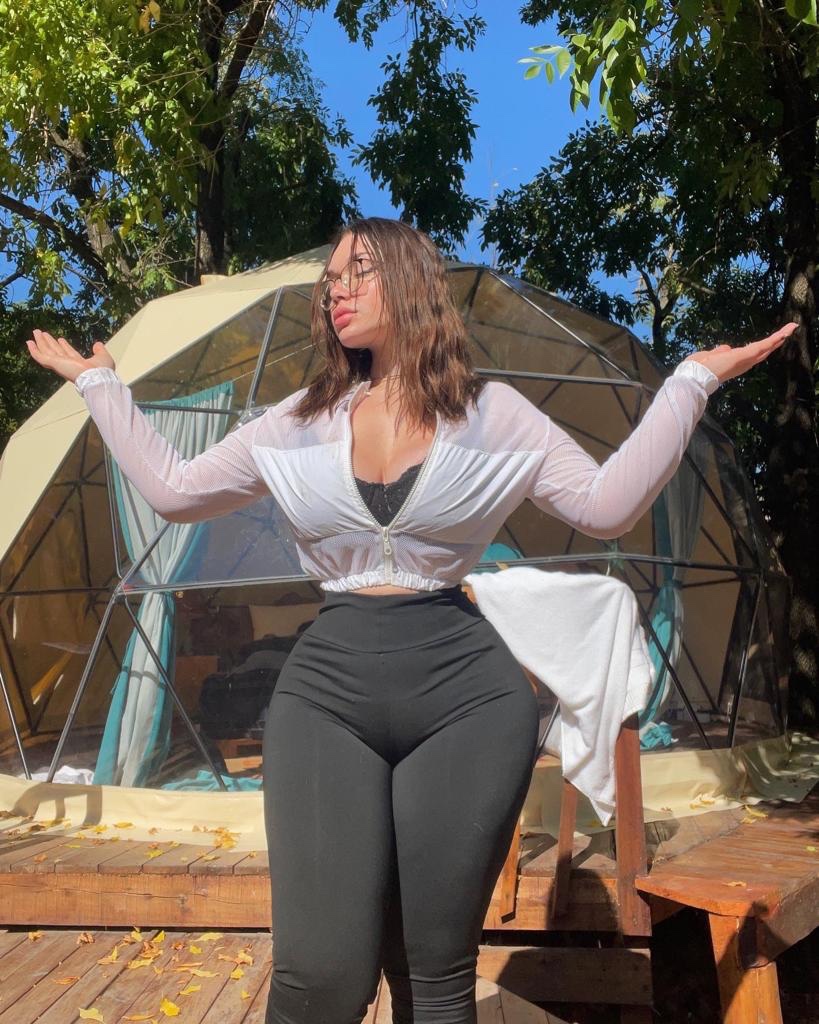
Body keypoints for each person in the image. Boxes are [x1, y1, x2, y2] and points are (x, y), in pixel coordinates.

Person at [26, 217, 795, 1024]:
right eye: (331, 279)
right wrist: (102, 386)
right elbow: (174, 491)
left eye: (359, 270)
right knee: (321, 976)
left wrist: (689, 382)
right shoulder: (298, 420)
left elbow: (606, 507)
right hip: (327, 694)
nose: (338, 291)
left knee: (433, 976)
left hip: (467, 701)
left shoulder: (493, 413)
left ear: (412, 281)